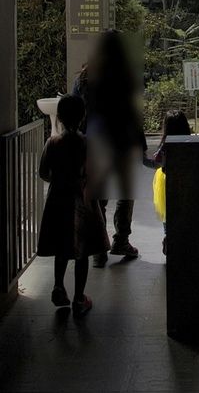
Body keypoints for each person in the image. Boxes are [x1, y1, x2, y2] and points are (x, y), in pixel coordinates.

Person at [79, 30, 149, 267]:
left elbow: (78, 111)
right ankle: (121, 240)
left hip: (95, 143)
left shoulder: (85, 77)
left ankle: (99, 248)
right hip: (122, 142)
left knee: (98, 197)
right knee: (125, 194)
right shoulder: (128, 76)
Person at [36, 94, 109, 315]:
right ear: (83, 115)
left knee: (61, 246)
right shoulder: (87, 143)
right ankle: (79, 297)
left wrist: (58, 180)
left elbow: (43, 172)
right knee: (83, 250)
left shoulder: (53, 142)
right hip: (82, 199)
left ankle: (58, 286)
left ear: (59, 116)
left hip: (58, 199)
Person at [151, 110, 192, 256]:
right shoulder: (190, 142)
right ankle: (185, 242)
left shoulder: (165, 145)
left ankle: (168, 239)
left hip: (167, 182)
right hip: (187, 182)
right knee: (185, 212)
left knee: (168, 214)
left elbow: (156, 161)